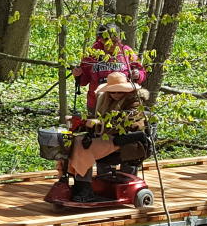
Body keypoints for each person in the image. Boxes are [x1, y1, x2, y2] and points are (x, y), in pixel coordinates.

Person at [64, 71, 149, 202]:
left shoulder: (135, 103)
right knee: (76, 142)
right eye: (112, 92)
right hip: (108, 138)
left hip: (126, 140)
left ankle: (84, 189)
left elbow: (126, 125)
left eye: (119, 92)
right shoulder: (105, 100)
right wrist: (81, 121)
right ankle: (80, 184)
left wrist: (99, 124)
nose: (115, 95)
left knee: (85, 148)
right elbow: (99, 119)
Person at [73, 23, 146, 113]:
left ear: (119, 38)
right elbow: (83, 81)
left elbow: (141, 73)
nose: (111, 44)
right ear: (101, 39)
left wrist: (138, 75)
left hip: (122, 103)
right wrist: (78, 74)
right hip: (96, 103)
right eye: (107, 40)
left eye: (115, 41)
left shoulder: (126, 52)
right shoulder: (92, 54)